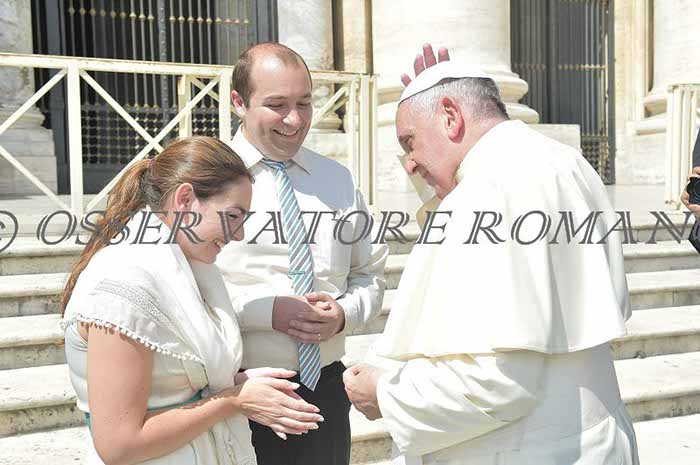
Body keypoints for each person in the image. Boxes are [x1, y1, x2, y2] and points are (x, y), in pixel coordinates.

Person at [344, 45, 640, 465]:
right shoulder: (563, 160)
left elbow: (496, 384)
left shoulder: (486, 192)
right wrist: (426, 111)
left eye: (410, 142)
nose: (409, 164)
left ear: (451, 116)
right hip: (594, 437)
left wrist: (383, 394)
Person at [61, 136, 323, 465]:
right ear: (185, 199)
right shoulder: (125, 284)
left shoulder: (185, 270)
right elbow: (120, 445)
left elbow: (171, 386)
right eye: (233, 216)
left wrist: (238, 385)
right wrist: (232, 400)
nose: (239, 234)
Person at [215, 42, 388, 465]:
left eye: (305, 104)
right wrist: (266, 312)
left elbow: (369, 274)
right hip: (235, 389)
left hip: (324, 392)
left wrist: (343, 313)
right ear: (238, 102)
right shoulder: (206, 178)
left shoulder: (338, 180)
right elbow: (180, 289)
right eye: (277, 105)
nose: (294, 120)